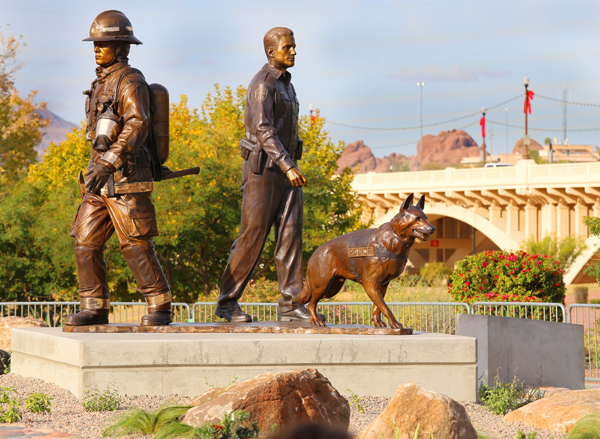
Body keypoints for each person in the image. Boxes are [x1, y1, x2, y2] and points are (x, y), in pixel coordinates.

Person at [65, 10, 172, 327]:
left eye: (104, 43)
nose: (97, 48)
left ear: (122, 46)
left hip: (126, 181)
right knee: (85, 243)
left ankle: (160, 306)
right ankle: (94, 306)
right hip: (97, 182)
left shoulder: (130, 81)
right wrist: (96, 169)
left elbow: (137, 125)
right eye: (95, 43)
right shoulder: (100, 83)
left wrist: (109, 162)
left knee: (135, 245)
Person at [217, 27, 318, 323]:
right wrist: (288, 165)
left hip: (288, 171)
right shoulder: (263, 85)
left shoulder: (287, 84)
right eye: (288, 47)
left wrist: (292, 163)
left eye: (295, 46)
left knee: (290, 236)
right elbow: (264, 131)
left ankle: (291, 301)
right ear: (271, 52)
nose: (294, 51)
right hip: (264, 171)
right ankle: (226, 302)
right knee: (252, 238)